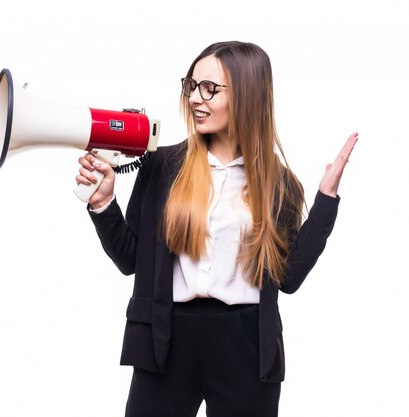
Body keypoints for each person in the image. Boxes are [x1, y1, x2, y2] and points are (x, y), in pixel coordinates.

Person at [75, 41, 358, 417]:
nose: (195, 98)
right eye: (191, 86)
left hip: (245, 342)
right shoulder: (162, 166)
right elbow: (131, 260)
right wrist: (103, 203)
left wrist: (325, 199)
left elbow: (287, 278)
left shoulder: (278, 183)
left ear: (246, 95)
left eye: (209, 88)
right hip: (165, 337)